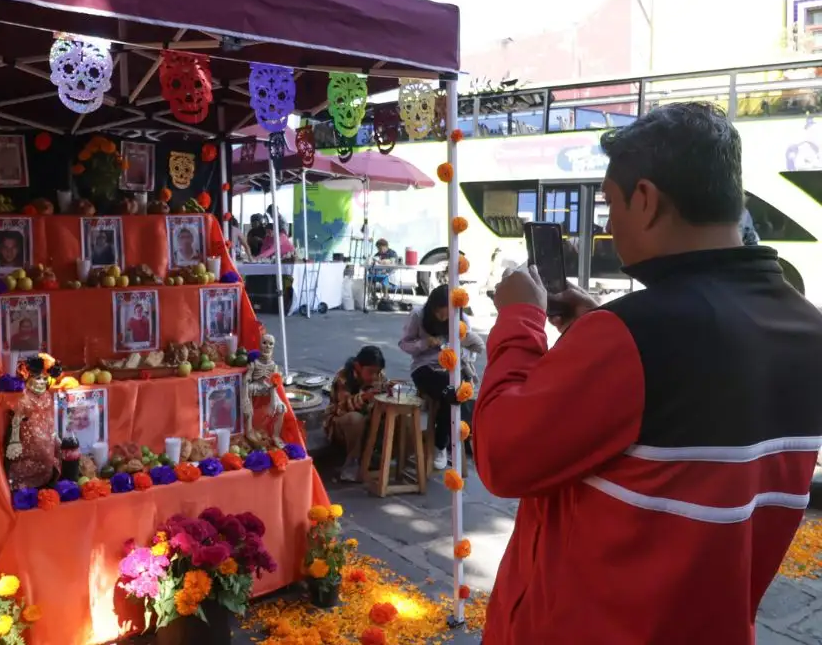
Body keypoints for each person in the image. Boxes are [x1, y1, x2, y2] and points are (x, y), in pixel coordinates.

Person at [475, 102, 822, 645]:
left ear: (646, 199)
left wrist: (520, 318)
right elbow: (687, 396)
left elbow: (500, 456)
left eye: (610, 205)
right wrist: (595, 333)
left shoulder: (633, 336)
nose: (609, 225)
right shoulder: (807, 328)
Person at [399, 285, 484, 470]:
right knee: (450, 392)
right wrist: (423, 343)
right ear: (432, 308)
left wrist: (459, 354)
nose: (444, 319)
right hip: (425, 366)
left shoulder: (461, 319)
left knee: (456, 391)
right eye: (440, 315)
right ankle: (441, 444)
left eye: (448, 315)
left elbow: (473, 350)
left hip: (453, 367)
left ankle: (443, 442)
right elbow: (404, 344)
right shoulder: (418, 315)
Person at [322, 346, 388, 482]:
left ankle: (380, 457)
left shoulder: (379, 377)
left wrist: (388, 393)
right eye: (370, 372)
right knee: (355, 419)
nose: (375, 377)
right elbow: (341, 409)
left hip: (369, 420)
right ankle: (352, 461)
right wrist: (364, 398)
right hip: (340, 424)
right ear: (358, 366)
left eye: (378, 372)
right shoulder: (343, 377)